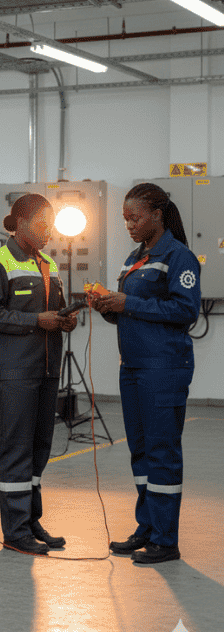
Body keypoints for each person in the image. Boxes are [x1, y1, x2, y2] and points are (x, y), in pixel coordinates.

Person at [93, 183, 201, 564]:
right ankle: (148, 527)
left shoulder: (179, 256)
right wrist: (108, 306)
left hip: (163, 368)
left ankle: (165, 540)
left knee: (162, 452)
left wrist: (128, 302)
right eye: (125, 219)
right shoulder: (134, 258)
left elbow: (186, 311)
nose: (129, 225)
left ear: (157, 215)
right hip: (133, 367)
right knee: (140, 451)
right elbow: (131, 310)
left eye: (135, 218)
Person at [0, 193, 75, 555]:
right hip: (15, 371)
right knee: (16, 449)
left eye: (51, 224)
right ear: (20, 223)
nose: (49, 231)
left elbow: (55, 311)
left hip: (47, 369)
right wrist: (37, 320)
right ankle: (15, 531)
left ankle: (31, 520)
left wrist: (65, 319)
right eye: (42, 223)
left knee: (39, 448)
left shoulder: (48, 264)